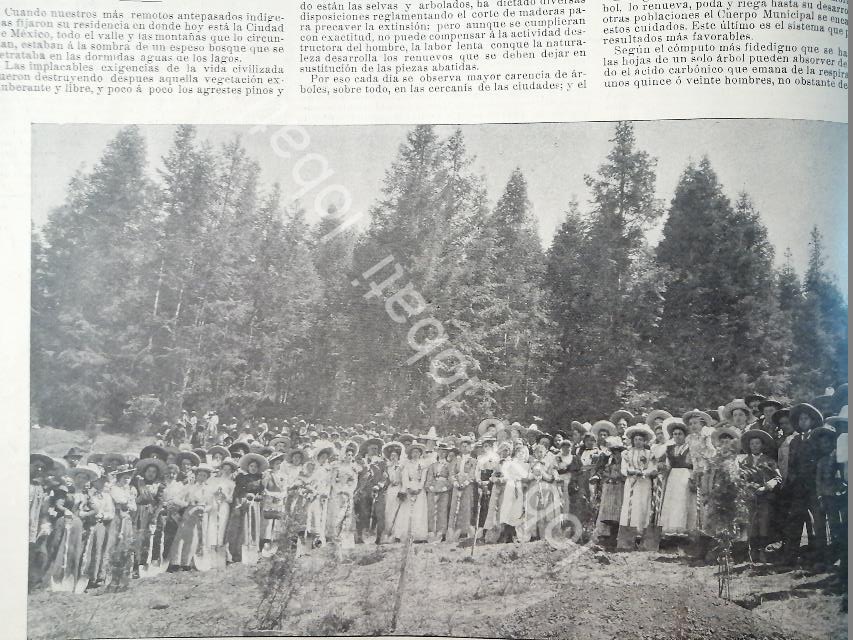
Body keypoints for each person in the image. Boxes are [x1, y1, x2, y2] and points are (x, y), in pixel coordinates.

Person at [782, 403, 821, 564]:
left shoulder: (817, 437)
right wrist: (792, 479)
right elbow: (791, 463)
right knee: (795, 518)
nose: (803, 422)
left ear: (812, 421)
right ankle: (791, 555)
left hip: (813, 485)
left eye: (806, 419)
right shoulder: (795, 440)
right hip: (798, 486)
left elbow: (819, 461)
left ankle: (817, 554)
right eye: (800, 419)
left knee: (816, 520)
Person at [737, 429, 782, 562]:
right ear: (749, 446)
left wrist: (767, 486)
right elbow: (739, 479)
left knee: (764, 522)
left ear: (762, 445)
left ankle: (764, 552)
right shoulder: (744, 462)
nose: (755, 446)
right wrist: (747, 488)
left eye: (757, 443)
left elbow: (778, 477)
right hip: (749, 497)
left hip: (765, 497)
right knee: (751, 524)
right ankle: (752, 552)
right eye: (752, 444)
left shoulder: (769, 460)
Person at [168, 463, 213, 572]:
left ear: (207, 477)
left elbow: (212, 505)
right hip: (189, 512)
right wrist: (186, 504)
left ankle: (187, 562)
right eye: (200, 475)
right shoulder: (189, 487)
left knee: (195, 537)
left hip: (201, 514)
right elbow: (176, 498)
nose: (202, 477)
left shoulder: (209, 490)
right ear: (196, 475)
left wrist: (204, 509)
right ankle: (175, 562)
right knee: (181, 536)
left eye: (204, 476)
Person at [619, 425, 657, 545]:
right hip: (631, 481)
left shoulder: (649, 453)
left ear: (645, 441)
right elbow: (623, 468)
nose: (638, 442)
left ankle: (641, 533)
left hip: (644, 482)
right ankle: (629, 533)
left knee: (643, 505)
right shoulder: (627, 453)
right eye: (636, 439)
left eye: (641, 439)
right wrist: (631, 471)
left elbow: (652, 467)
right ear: (632, 440)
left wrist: (644, 472)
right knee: (630, 505)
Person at [658, 420, 696, 537]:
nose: (677, 436)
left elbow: (695, 463)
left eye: (680, 434)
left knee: (682, 501)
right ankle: (670, 529)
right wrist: (663, 468)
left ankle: (682, 529)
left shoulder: (691, 448)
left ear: (685, 435)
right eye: (675, 434)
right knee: (671, 501)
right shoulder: (669, 448)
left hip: (685, 474)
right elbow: (667, 464)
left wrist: (694, 478)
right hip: (673, 476)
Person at [132, 457, 166, 578]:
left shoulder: (159, 486)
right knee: (137, 539)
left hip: (152, 514)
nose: (151, 474)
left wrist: (155, 515)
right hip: (138, 513)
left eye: (154, 472)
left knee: (151, 540)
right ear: (144, 472)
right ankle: (135, 565)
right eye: (149, 471)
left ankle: (149, 564)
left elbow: (161, 502)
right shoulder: (137, 484)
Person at [593, 436, 626, 550]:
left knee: (618, 511)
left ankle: (616, 536)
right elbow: (604, 473)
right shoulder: (608, 462)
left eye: (618, 453)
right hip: (610, 488)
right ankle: (605, 536)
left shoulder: (623, 463)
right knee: (607, 511)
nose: (616, 455)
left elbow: (624, 475)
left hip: (620, 488)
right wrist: (608, 477)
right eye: (614, 453)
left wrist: (619, 477)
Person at [393, 442, 429, 542]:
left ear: (420, 453)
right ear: (410, 453)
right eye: (413, 452)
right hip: (409, 487)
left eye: (417, 452)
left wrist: (419, 488)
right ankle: (402, 534)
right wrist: (408, 488)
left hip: (419, 489)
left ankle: (418, 535)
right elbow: (404, 477)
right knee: (406, 510)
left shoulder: (423, 464)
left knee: (419, 511)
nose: (415, 454)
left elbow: (424, 478)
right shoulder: (407, 464)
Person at [354, 438, 386, 544]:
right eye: (372, 448)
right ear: (367, 449)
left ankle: (375, 536)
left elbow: (384, 477)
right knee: (362, 513)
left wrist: (378, 486)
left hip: (376, 492)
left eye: (376, 449)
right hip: (362, 492)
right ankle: (359, 535)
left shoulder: (381, 463)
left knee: (375, 515)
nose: (374, 451)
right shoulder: (360, 461)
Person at [447, 438, 477, 540]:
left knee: (466, 507)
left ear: (470, 448)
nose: (464, 448)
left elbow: (473, 473)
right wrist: (455, 482)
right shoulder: (456, 460)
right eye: (463, 446)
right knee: (455, 507)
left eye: (467, 446)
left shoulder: (473, 461)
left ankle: (466, 532)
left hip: (467, 486)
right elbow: (451, 473)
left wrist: (466, 483)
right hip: (456, 485)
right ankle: (453, 532)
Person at [425, 443, 452, 541]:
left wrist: (447, 487)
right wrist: (429, 487)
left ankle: (441, 532)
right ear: (438, 452)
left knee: (442, 510)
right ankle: (431, 531)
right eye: (440, 451)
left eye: (444, 452)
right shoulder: (432, 465)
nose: (442, 453)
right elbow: (429, 477)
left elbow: (451, 478)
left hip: (444, 489)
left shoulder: (449, 465)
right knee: (431, 510)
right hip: (433, 487)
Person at [382, 442, 405, 541]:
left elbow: (404, 479)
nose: (393, 457)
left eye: (395, 456)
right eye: (391, 456)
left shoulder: (401, 466)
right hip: (390, 489)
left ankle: (396, 533)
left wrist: (402, 490)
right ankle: (387, 531)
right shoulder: (387, 467)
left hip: (398, 488)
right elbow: (386, 480)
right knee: (388, 510)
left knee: (398, 510)